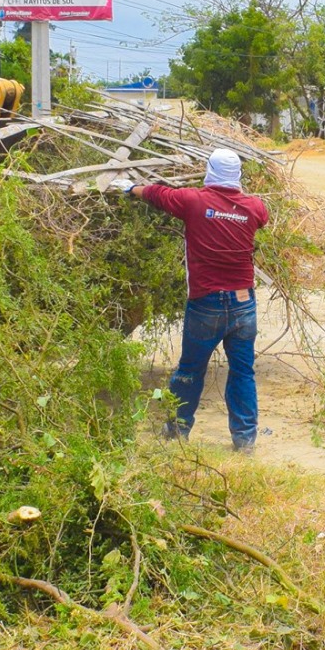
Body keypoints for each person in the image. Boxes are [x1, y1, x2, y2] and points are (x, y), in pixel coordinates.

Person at [118, 148, 269, 452]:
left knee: (190, 370)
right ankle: (245, 441)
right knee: (243, 371)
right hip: (244, 303)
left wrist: (131, 188)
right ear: (237, 175)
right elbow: (258, 218)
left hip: (206, 303)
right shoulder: (255, 207)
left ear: (210, 171)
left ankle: (176, 433)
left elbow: (158, 194)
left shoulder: (193, 201)